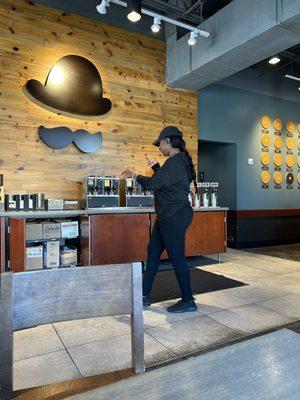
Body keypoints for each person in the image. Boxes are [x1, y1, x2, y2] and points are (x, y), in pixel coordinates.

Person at [134, 126, 197, 313]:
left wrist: (135, 175)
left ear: (168, 140)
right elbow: (165, 181)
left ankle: (188, 301)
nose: (159, 148)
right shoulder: (179, 161)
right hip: (168, 216)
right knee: (152, 253)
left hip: (174, 216)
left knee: (177, 258)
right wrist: (155, 167)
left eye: (160, 144)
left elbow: (154, 184)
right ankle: (144, 296)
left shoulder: (175, 161)